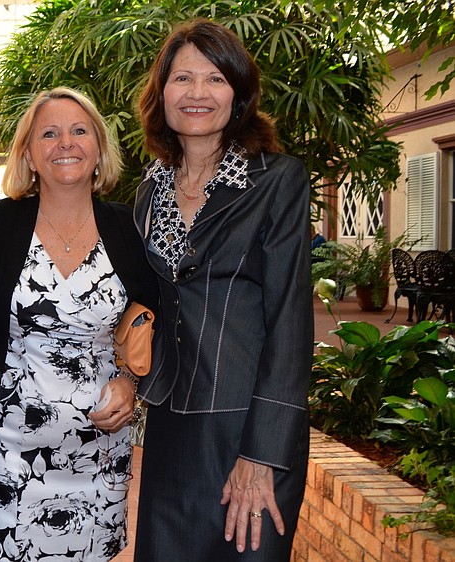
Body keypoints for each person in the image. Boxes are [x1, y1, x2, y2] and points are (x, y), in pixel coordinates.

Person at [131, 19, 313, 561]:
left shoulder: (277, 181)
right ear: (161, 92)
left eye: (214, 78)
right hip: (170, 430)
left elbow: (290, 322)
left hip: (248, 429)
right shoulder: (147, 192)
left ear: (238, 94)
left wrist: (262, 453)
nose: (197, 93)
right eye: (182, 78)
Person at [0, 87, 159, 561]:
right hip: (10, 444)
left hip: (99, 443)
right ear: (29, 154)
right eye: (49, 134)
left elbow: (158, 310)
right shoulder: (0, 222)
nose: (65, 143)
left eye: (79, 131)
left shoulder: (126, 225)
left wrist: (131, 381)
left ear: (98, 147)